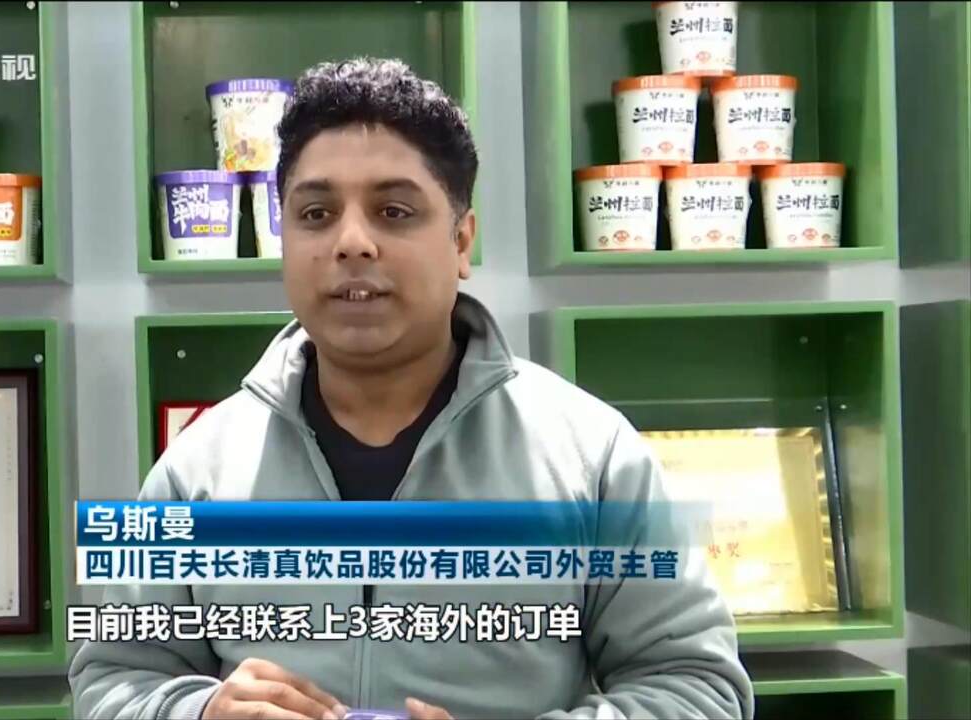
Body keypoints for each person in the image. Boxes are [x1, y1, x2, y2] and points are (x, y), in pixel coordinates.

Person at [69, 57, 754, 720]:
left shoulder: (592, 457)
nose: (352, 242)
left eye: (394, 211)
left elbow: (696, 688)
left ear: (461, 241)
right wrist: (200, 711)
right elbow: (110, 679)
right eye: (315, 214)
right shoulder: (198, 469)